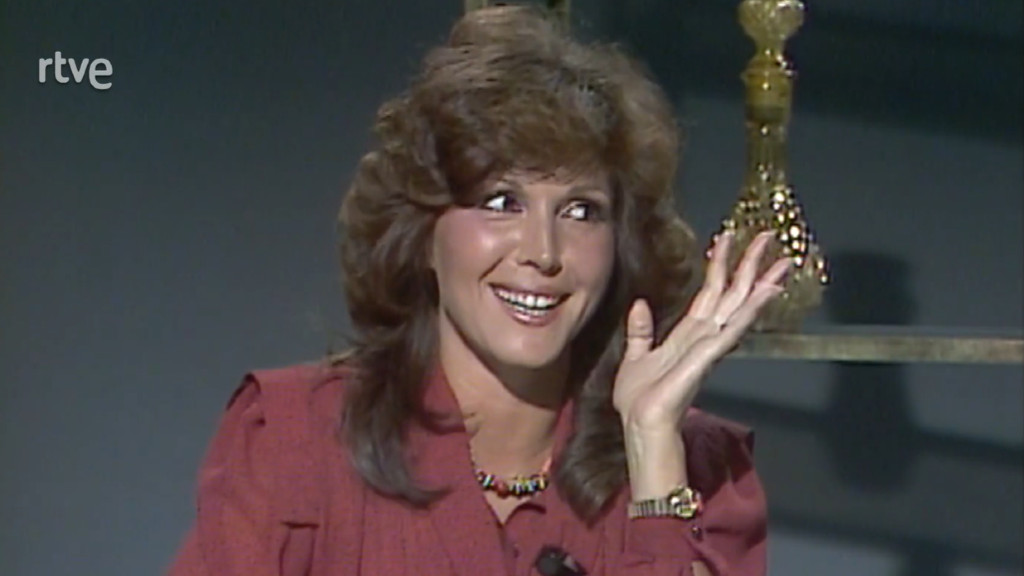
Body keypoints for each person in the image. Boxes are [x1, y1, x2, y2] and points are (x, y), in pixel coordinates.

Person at [168, 5, 790, 576]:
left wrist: (653, 452)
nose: (543, 252)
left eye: (580, 211)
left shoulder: (701, 470)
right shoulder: (294, 440)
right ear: (422, 230)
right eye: (501, 202)